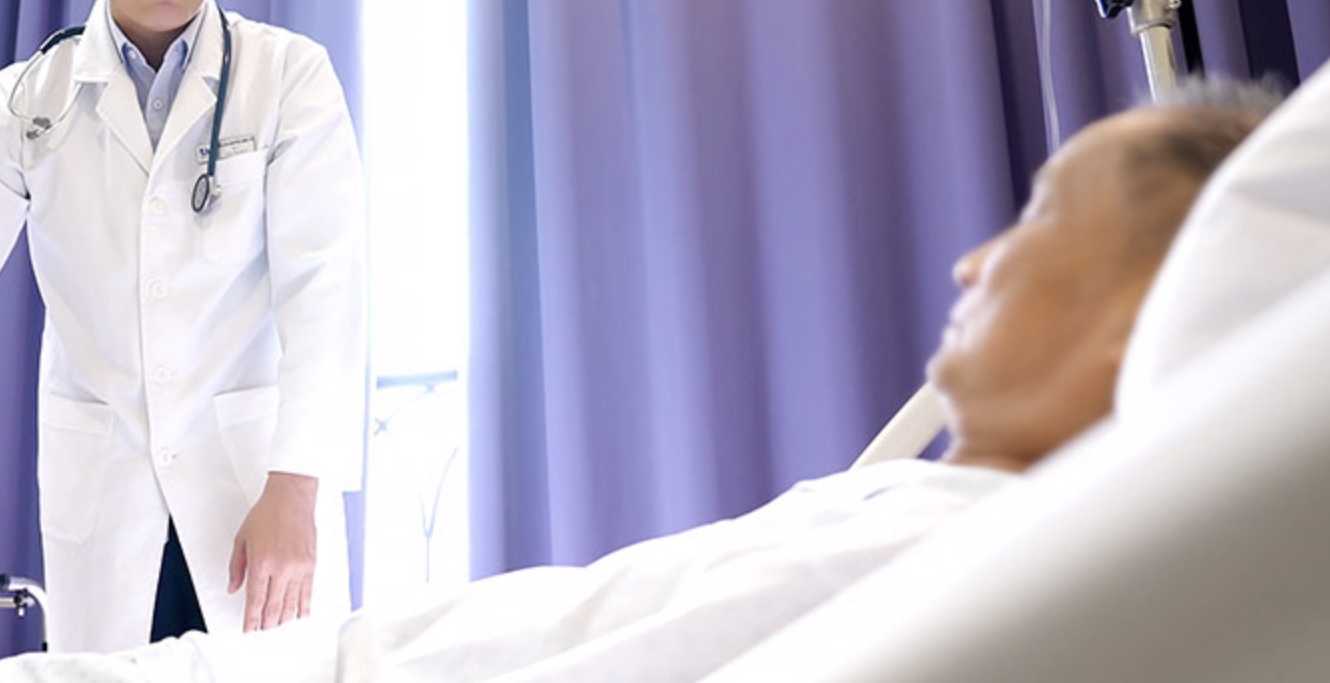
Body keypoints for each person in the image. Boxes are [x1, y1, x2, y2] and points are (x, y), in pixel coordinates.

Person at [0, 81, 1277, 680]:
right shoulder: (901, 515)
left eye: (1044, 215)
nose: (977, 255)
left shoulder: (956, 550)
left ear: (1144, 316)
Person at [0, 0, 367, 653]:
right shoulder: (29, 101)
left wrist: (297, 487)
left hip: (251, 482)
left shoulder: (287, 76)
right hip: (108, 482)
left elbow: (327, 288)